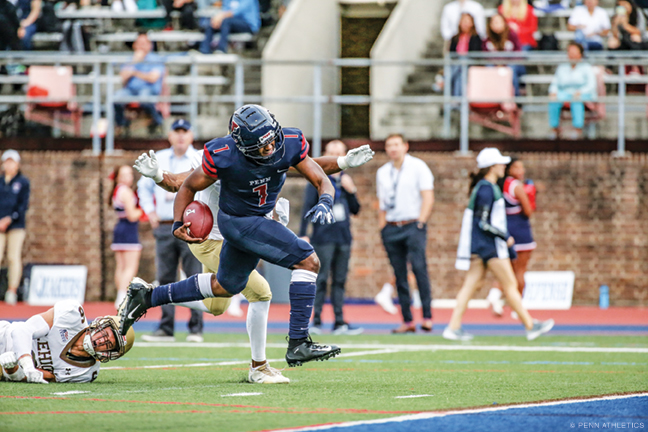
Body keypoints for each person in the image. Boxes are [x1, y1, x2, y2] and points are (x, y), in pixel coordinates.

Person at [119, 104, 352, 367]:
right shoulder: (222, 154)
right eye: (261, 146)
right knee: (308, 261)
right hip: (237, 223)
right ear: (242, 146)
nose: (270, 149)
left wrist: (325, 201)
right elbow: (186, 185)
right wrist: (175, 222)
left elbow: (320, 177)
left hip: (256, 219)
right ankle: (298, 342)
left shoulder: (287, 141)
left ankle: (148, 297)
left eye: (271, 140)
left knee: (224, 287)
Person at [445, 148, 554, 342]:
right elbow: (484, 222)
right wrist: (505, 237)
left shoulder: (485, 186)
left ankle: (453, 327)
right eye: (500, 163)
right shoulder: (487, 188)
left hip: (481, 245)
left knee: (471, 285)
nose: (504, 166)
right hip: (489, 246)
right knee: (509, 284)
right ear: (492, 166)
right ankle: (530, 326)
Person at [136, 119, 204, 343]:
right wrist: (149, 211)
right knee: (165, 276)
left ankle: (196, 328)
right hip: (165, 225)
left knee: (195, 276)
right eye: (177, 132)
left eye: (185, 131)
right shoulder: (161, 157)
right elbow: (143, 187)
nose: (181, 136)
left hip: (192, 224)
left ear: (191, 135)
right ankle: (166, 327)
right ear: (170, 135)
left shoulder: (199, 156)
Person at [299, 140, 363, 336]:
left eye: (339, 152)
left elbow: (355, 210)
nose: (336, 155)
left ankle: (339, 322)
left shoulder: (346, 180)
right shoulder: (317, 180)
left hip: (343, 238)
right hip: (323, 237)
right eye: (332, 152)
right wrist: (304, 233)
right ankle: (316, 321)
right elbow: (306, 209)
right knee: (321, 279)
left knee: (340, 281)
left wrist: (351, 191)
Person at [376, 134, 434, 334]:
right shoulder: (382, 172)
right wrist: (382, 227)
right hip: (392, 227)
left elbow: (428, 196)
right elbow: (382, 203)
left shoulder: (418, 167)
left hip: (412, 225)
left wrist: (421, 222)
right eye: (389, 145)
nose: (393, 149)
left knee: (419, 269)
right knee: (399, 274)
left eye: (396, 145)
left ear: (405, 146)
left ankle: (427, 316)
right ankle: (407, 320)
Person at [0, 300, 134, 383]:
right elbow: (23, 330)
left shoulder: (86, 373)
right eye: (104, 334)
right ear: (100, 324)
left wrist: (12, 369)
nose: (101, 342)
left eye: (109, 345)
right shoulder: (72, 314)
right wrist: (27, 363)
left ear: (110, 353)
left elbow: (37, 376)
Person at [488, 157, 537, 316]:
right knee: (520, 271)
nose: (521, 171)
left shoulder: (500, 186)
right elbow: (528, 211)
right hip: (521, 233)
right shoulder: (516, 186)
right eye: (517, 167)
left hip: (506, 232)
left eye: (522, 167)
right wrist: (530, 195)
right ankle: (518, 308)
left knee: (506, 270)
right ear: (509, 169)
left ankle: (495, 295)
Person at [114, 32, 165, 136]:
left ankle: (157, 121)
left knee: (144, 97)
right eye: (139, 43)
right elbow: (123, 76)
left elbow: (152, 78)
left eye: (144, 43)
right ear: (134, 45)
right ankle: (122, 125)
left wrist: (135, 73)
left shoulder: (156, 59)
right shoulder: (131, 59)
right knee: (116, 98)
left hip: (149, 90)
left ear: (150, 45)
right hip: (130, 91)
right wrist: (134, 61)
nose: (141, 46)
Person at [110, 165, 143, 310]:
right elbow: (132, 215)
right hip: (128, 229)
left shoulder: (116, 190)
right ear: (117, 177)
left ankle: (120, 295)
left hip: (119, 228)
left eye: (129, 174)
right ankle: (122, 297)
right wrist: (143, 211)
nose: (128, 177)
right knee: (130, 266)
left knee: (121, 266)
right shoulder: (126, 191)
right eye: (124, 174)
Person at [548, 42, 597, 140]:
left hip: (583, 94)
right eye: (570, 52)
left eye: (575, 52)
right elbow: (555, 83)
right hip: (565, 93)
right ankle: (554, 129)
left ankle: (577, 129)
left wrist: (580, 92)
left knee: (576, 100)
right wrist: (553, 91)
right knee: (554, 100)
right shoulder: (562, 67)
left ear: (580, 54)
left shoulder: (586, 67)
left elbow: (591, 85)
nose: (572, 54)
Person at [1, 150, 30, 306]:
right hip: (0, 226)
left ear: (17, 164)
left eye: (12, 162)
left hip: (16, 226)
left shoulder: (23, 182)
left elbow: (23, 205)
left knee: (13, 257)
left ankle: (11, 291)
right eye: (7, 161)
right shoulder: (0, 181)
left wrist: (9, 219)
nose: (9, 164)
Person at [483, 14, 524, 96]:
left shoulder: (511, 35)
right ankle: (492, 99)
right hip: (494, 64)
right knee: (488, 68)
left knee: (511, 71)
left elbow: (518, 52)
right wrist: (497, 64)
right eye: (494, 22)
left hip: (510, 63)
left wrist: (505, 63)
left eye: (498, 22)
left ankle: (515, 100)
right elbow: (485, 55)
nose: (496, 25)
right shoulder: (487, 38)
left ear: (504, 23)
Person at [449, 13, 483, 97]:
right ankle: (458, 99)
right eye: (463, 21)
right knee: (460, 74)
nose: (465, 23)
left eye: (467, 21)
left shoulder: (476, 37)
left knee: (461, 70)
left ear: (472, 23)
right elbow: (451, 54)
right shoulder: (455, 38)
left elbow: (475, 53)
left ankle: (447, 81)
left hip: (470, 63)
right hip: (457, 64)